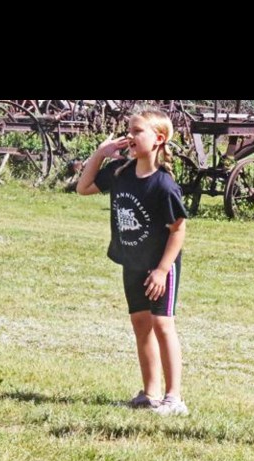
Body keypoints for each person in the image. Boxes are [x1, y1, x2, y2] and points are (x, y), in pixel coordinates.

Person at [76, 108, 188, 416]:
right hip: (133, 262)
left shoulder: (163, 185)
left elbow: (178, 230)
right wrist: (101, 153)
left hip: (159, 268)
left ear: (158, 139)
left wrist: (163, 270)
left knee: (162, 324)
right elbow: (83, 187)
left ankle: (174, 398)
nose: (130, 136)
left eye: (138, 131)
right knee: (141, 324)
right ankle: (149, 392)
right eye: (129, 130)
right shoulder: (120, 172)